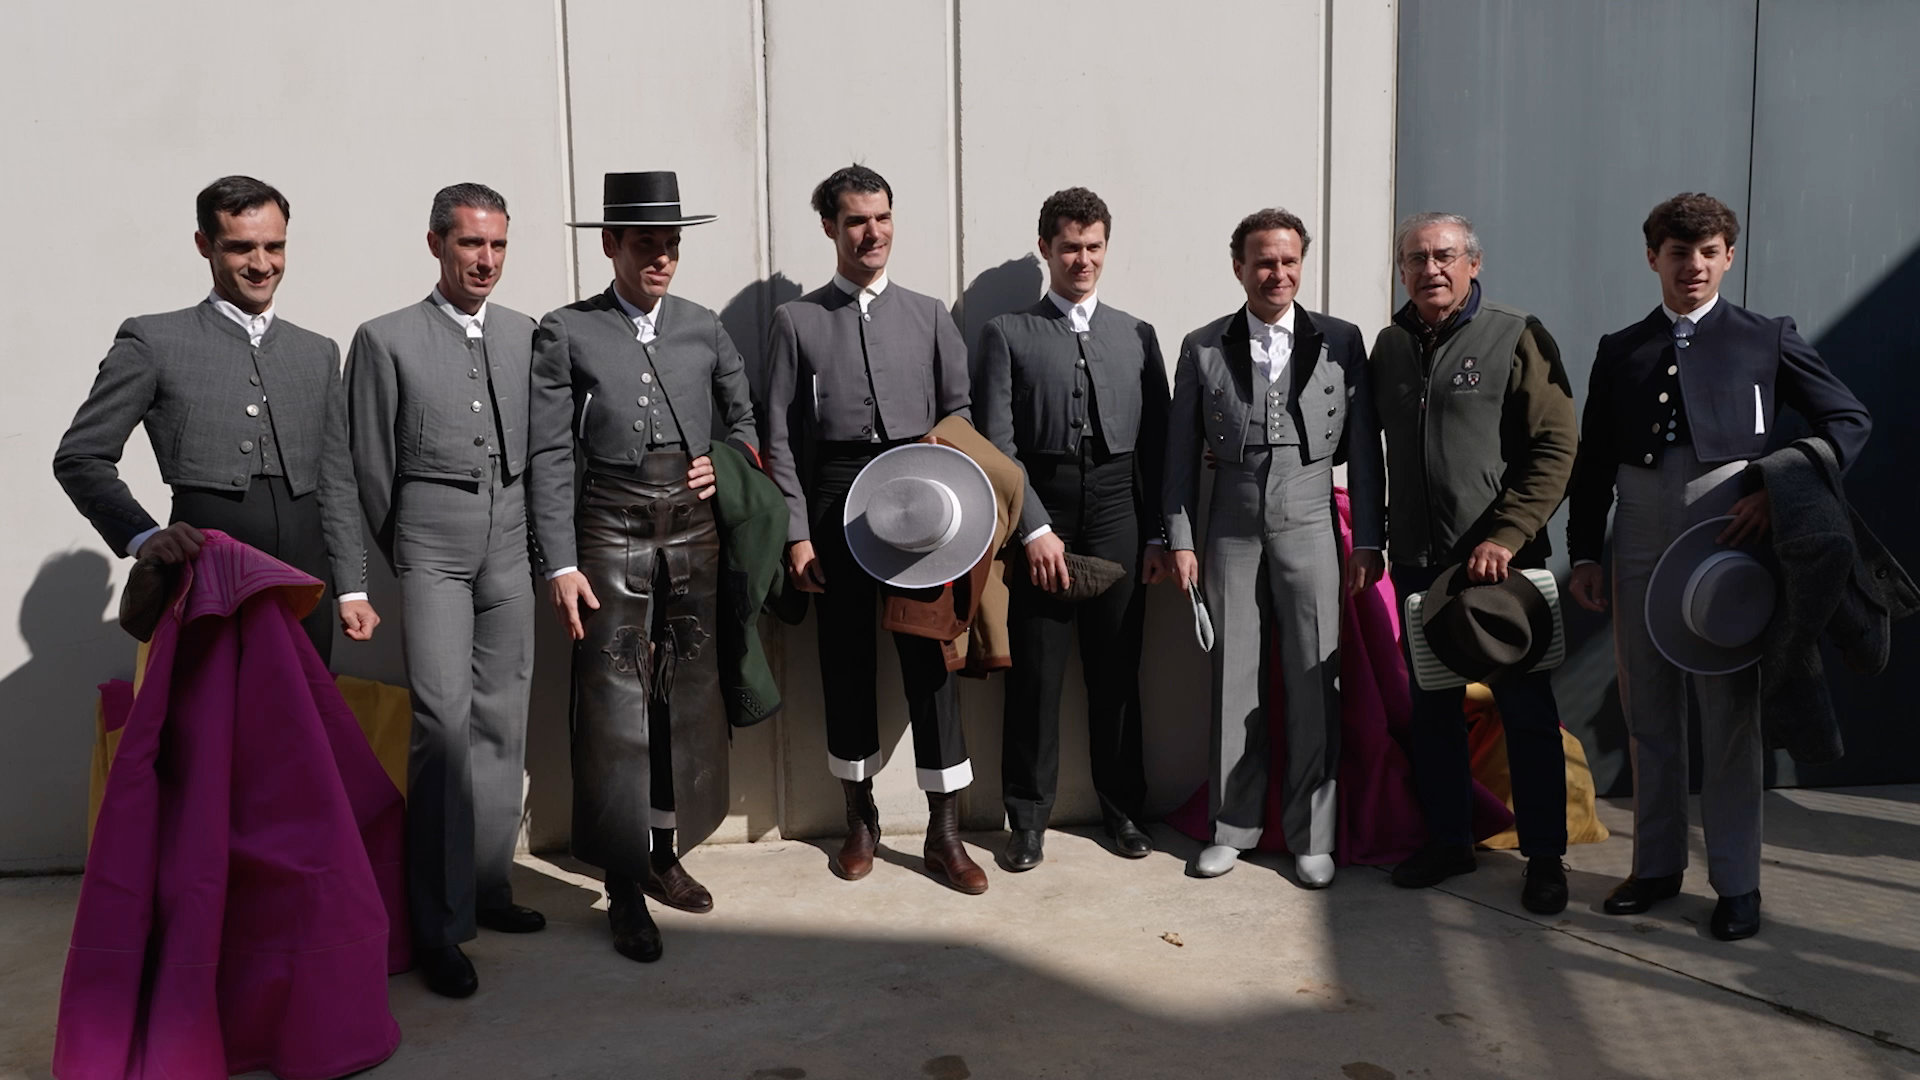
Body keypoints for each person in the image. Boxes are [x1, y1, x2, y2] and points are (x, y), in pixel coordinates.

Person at [1566, 192, 1871, 940]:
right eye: (1678, 252)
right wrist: (1582, 551)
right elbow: (1594, 461)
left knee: (1730, 715)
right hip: (1636, 528)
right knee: (1648, 711)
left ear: (1728, 257)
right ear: (1653, 258)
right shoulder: (1620, 347)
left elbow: (1848, 419)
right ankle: (1657, 867)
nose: (1693, 266)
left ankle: (1737, 883)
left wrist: (1779, 485)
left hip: (1727, 530)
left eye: (1707, 253)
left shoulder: (1766, 336)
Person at [529, 171, 757, 962]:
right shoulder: (567, 330)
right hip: (608, 528)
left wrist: (723, 462)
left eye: (671, 245)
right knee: (614, 703)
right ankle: (623, 882)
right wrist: (559, 562)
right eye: (646, 245)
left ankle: (666, 851)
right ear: (611, 246)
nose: (661, 259)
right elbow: (551, 455)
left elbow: (746, 419)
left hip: (692, 531)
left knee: (685, 697)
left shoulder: (704, 327)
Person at [760, 163, 986, 893]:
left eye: (882, 217)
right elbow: (781, 437)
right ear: (830, 228)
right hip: (836, 506)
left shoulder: (928, 314)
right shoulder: (797, 320)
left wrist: (958, 509)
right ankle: (860, 821)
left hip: (924, 506)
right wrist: (797, 533)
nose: (872, 233)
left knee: (932, 666)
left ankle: (945, 833)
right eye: (857, 220)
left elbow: (962, 421)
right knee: (846, 664)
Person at [344, 183, 542, 998]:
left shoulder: (529, 335)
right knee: (441, 723)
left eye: (497, 246)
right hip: (428, 544)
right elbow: (368, 471)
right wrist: (408, 552)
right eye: (470, 245)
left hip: (510, 544)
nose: (485, 261)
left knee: (504, 717)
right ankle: (435, 922)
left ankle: (488, 885)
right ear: (435, 245)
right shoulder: (384, 340)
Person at [1353, 212, 1578, 914]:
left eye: (1445, 256)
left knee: (1526, 715)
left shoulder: (1517, 335)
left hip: (1500, 569)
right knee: (1433, 714)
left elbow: (1555, 447)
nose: (1431, 270)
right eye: (1416, 259)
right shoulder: (1389, 346)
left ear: (1473, 263)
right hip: (1421, 567)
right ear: (1401, 272)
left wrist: (1506, 536)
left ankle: (1545, 858)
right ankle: (1450, 839)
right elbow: (1361, 446)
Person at [53, 175, 376, 664]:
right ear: (204, 245)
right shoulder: (153, 341)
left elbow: (335, 478)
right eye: (241, 247)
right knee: (208, 725)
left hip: (306, 577)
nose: (262, 263)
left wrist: (351, 587)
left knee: (299, 728)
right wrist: (143, 536)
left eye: (275, 246)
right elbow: (81, 456)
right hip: (204, 569)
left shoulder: (317, 350)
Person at [1163, 208, 1384, 887]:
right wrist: (1179, 538)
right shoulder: (1203, 346)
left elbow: (1367, 453)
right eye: (1264, 262)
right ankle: (1233, 827)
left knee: (1317, 678)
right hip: (1229, 519)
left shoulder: (1342, 340)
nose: (1277, 274)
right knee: (1234, 680)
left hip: (1313, 518)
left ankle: (1311, 834)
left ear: (1301, 265)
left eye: (1289, 261)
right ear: (1240, 268)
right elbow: (1177, 454)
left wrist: (1369, 538)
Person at [974, 187, 1170, 870]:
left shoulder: (1138, 334)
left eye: (1092, 247)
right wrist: (1032, 530)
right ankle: (1027, 820)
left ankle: (1123, 812)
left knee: (1117, 671)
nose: (1081, 259)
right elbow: (997, 444)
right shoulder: (1006, 333)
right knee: (1036, 675)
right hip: (1044, 508)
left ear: (1105, 249)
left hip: (1119, 508)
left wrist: (1158, 536)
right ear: (1046, 251)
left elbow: (1159, 448)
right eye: (1069, 248)